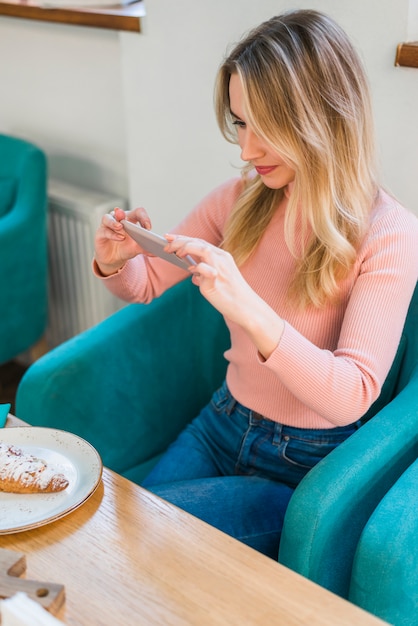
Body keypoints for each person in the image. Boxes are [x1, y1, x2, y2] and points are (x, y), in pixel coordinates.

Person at [93, 10, 418, 559]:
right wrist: (115, 261)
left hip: (307, 464)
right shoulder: (241, 198)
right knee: (127, 532)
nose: (246, 150)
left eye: (265, 127)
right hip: (222, 421)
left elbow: (350, 396)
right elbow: (146, 283)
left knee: (145, 541)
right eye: (241, 123)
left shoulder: (390, 234)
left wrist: (247, 306)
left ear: (324, 117)